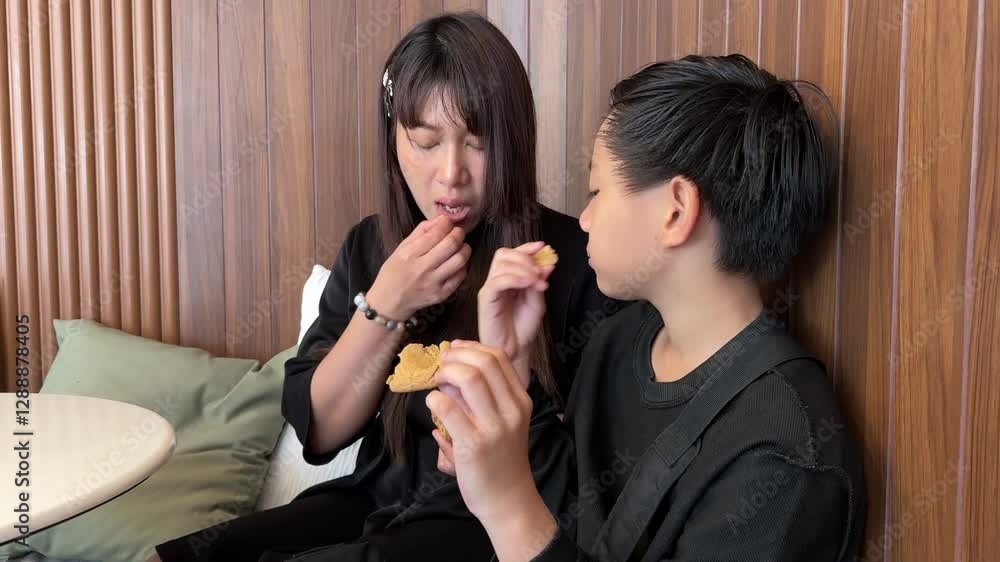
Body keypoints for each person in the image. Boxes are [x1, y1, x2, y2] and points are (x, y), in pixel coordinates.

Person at [151, 12, 618, 562]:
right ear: (394, 139)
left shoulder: (575, 261)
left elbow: (589, 482)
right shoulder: (372, 246)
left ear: (515, 141)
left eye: (477, 141)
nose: (450, 173)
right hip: (374, 497)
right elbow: (319, 432)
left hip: (480, 524)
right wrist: (384, 305)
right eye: (424, 140)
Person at [426, 54, 867, 561]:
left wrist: (505, 502)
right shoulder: (618, 341)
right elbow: (575, 525)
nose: (584, 219)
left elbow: (529, 521)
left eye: (597, 190)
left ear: (676, 210)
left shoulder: (785, 457)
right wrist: (512, 375)